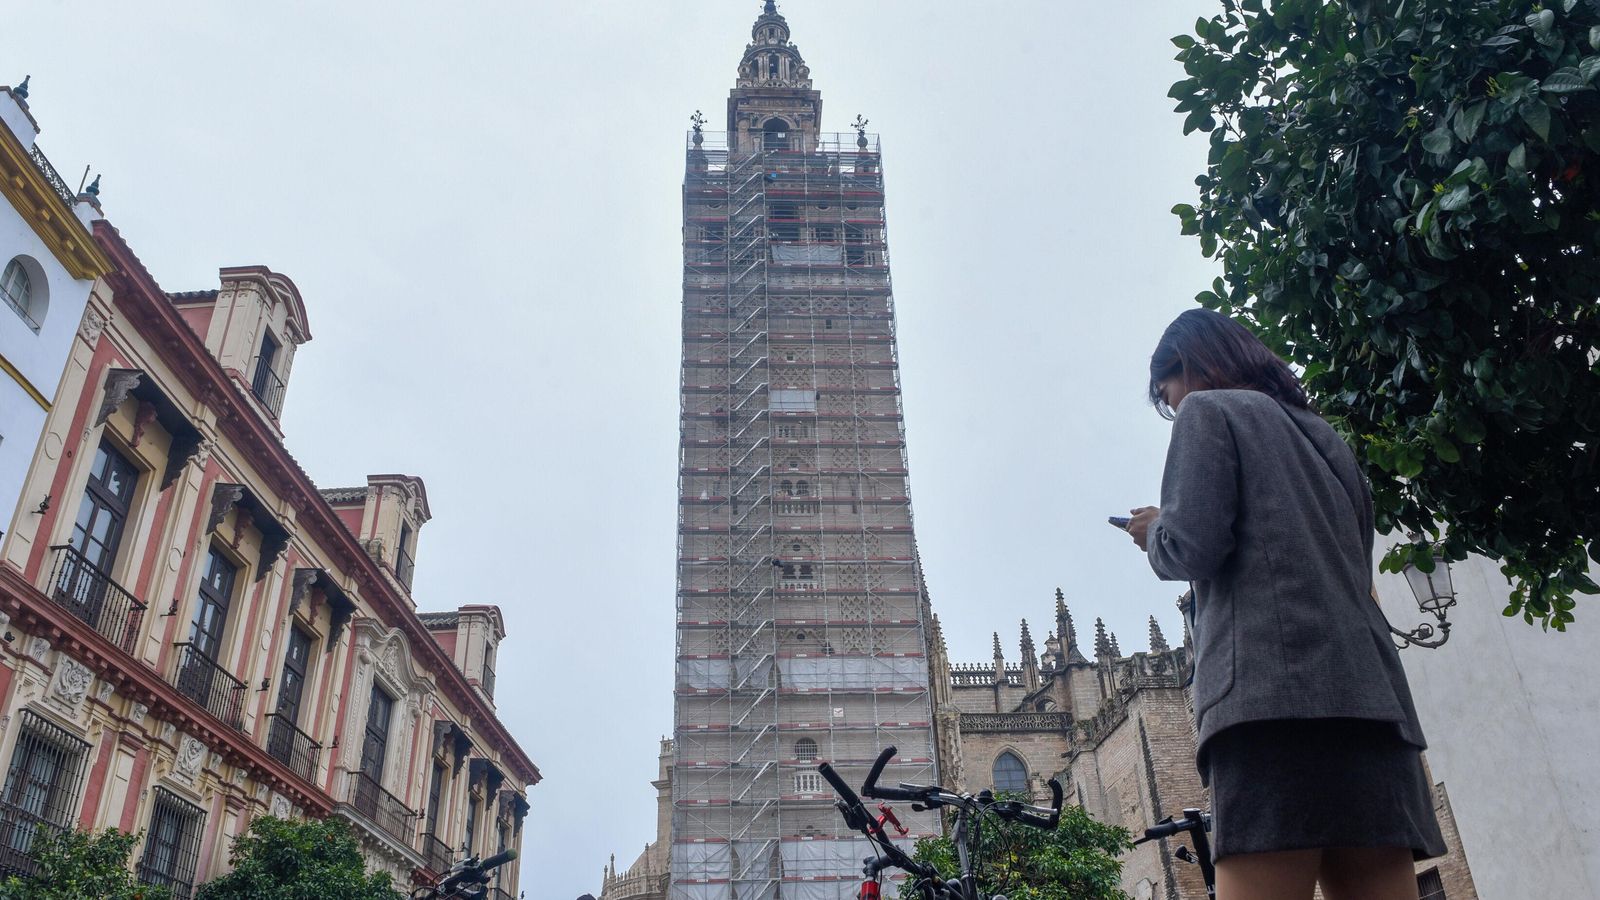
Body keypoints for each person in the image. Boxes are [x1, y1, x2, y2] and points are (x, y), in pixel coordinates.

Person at [1124, 309, 1445, 900]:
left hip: (1269, 706)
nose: (1173, 408)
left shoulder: (1208, 411)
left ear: (1189, 368)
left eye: (1167, 395)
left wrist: (1156, 531)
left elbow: (1192, 547)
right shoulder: (1328, 441)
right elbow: (1353, 563)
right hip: (1372, 706)